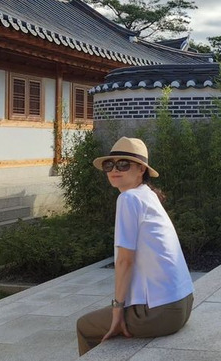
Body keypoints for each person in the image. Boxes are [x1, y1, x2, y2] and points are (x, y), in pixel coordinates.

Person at [76, 136, 194, 356]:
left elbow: (124, 260)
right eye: (109, 164)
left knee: (84, 326)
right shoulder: (147, 195)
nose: (114, 169)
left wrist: (117, 310)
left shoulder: (129, 199)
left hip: (163, 311)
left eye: (123, 164)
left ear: (141, 169)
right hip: (183, 302)